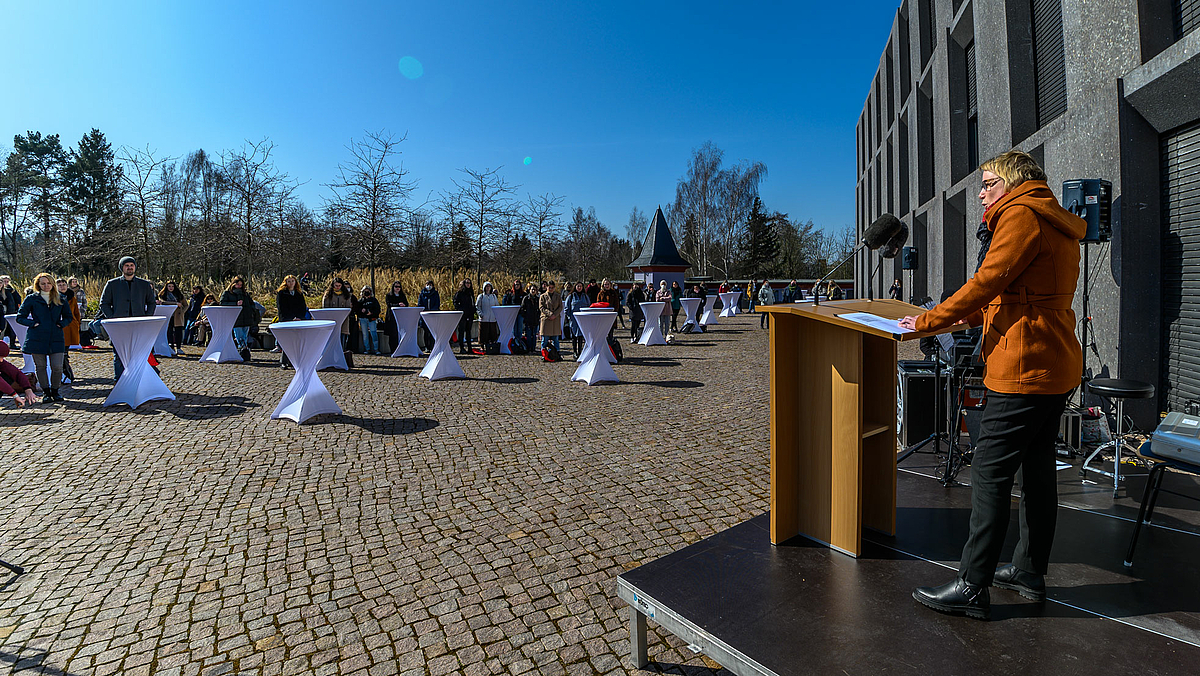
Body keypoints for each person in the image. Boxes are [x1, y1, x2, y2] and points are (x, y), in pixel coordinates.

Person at [901, 150, 1086, 620]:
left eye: (987, 183)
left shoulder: (1020, 214)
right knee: (1038, 470)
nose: (981, 192)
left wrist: (926, 323)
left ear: (1011, 181)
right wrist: (963, 316)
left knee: (989, 471)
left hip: (1022, 366)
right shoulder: (1055, 218)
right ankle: (1028, 571)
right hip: (1056, 360)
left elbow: (988, 281)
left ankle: (972, 583)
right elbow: (1020, 293)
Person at [16, 273, 73, 402]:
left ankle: (55, 390)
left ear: (52, 284)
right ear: (38, 285)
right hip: (37, 336)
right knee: (40, 366)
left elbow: (69, 317)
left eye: (48, 283)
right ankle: (46, 392)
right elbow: (20, 317)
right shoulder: (31, 298)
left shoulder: (61, 298)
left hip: (56, 336)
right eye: (43, 283)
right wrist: (33, 324)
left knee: (57, 367)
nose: (46, 286)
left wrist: (61, 324)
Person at [100, 256, 157, 379]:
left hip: (139, 325)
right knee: (119, 356)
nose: (130, 267)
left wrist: (147, 318)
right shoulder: (112, 284)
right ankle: (119, 382)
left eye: (132, 265)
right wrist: (112, 318)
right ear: (122, 268)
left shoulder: (144, 284)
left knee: (140, 355)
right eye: (127, 265)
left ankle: (139, 381)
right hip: (119, 326)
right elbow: (104, 303)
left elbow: (151, 303)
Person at [219, 276, 257, 361]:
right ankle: (242, 351)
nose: (239, 286)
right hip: (235, 318)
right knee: (239, 336)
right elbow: (222, 303)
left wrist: (251, 310)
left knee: (245, 336)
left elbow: (251, 303)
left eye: (240, 285)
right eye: (237, 284)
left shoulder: (245, 294)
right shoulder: (227, 293)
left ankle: (245, 352)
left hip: (246, 317)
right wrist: (235, 304)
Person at [275, 275, 308, 369]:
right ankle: (284, 361)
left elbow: (302, 307)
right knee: (287, 341)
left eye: (292, 281)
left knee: (297, 341)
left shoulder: (299, 293)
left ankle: (294, 361)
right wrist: (290, 318)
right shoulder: (281, 293)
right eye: (289, 281)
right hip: (287, 320)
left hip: (298, 320)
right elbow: (281, 308)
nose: (291, 283)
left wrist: (299, 317)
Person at [0, 341, 38, 407]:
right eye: (0, 357)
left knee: (8, 374)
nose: (1, 360)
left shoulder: (1, 362)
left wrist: (28, 389)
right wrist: (15, 395)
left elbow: (16, 373)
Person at [322, 278, 355, 351]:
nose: (337, 287)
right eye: (336, 285)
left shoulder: (346, 295)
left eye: (339, 285)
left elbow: (348, 308)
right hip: (331, 320)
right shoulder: (328, 294)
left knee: (342, 339)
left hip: (343, 321)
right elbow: (325, 307)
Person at [158, 280, 186, 355]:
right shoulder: (163, 294)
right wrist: (175, 303)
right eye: (169, 286)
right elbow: (163, 302)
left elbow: (186, 304)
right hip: (168, 315)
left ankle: (179, 347)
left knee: (178, 331)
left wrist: (182, 311)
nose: (171, 288)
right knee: (169, 331)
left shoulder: (179, 295)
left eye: (172, 286)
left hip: (178, 315)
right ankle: (171, 347)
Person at [382, 281, 409, 353]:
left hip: (401, 317)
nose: (397, 288)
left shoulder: (402, 295)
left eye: (399, 287)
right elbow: (389, 304)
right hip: (391, 317)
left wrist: (404, 305)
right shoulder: (389, 295)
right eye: (396, 287)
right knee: (392, 334)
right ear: (393, 287)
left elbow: (406, 303)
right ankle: (393, 350)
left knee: (399, 333)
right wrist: (398, 304)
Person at [355, 285, 382, 355]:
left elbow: (378, 309)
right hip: (363, 319)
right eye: (365, 291)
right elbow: (357, 310)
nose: (366, 293)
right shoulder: (360, 301)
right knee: (365, 335)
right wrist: (362, 310)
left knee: (374, 334)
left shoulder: (374, 300)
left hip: (372, 319)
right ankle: (367, 349)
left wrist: (371, 313)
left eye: (368, 291)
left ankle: (376, 349)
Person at [538, 280, 563, 355]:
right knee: (545, 339)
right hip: (546, 319)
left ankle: (556, 353)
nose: (551, 289)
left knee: (555, 339)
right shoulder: (543, 296)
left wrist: (554, 315)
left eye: (552, 287)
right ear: (546, 287)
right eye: (549, 287)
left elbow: (560, 307)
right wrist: (550, 314)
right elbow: (541, 307)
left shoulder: (558, 296)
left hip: (555, 319)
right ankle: (544, 353)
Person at [565, 282, 589, 355]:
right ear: (575, 287)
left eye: (581, 286)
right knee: (574, 336)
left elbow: (589, 307)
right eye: (578, 286)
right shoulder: (571, 296)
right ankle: (575, 351)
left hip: (583, 320)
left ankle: (580, 351)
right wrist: (570, 317)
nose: (579, 288)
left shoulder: (585, 296)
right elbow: (566, 308)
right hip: (574, 320)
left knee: (581, 337)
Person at [453, 279, 476, 355]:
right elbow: (455, 302)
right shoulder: (459, 293)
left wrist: (473, 310)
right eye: (467, 283)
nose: (468, 284)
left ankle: (470, 348)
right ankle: (462, 348)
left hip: (470, 314)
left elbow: (473, 303)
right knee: (461, 331)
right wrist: (461, 310)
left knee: (469, 331)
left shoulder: (471, 293)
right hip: (462, 315)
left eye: (469, 283)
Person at [416, 280, 439, 353]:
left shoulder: (435, 294)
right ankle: (426, 347)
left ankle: (432, 347)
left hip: (433, 315)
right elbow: (420, 304)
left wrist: (432, 310)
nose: (429, 286)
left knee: (432, 332)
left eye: (430, 285)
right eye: (427, 284)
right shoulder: (422, 294)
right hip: (424, 316)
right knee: (426, 332)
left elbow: (437, 304)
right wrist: (424, 311)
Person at [475, 281, 499, 348]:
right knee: (483, 333)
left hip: (492, 319)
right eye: (487, 286)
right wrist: (481, 314)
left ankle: (492, 346)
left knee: (492, 333)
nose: (488, 288)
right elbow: (477, 306)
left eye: (489, 286)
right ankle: (482, 346)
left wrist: (496, 316)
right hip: (484, 318)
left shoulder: (494, 296)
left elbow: (497, 306)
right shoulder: (481, 296)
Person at [0, 275, 20, 347]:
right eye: (4, 281)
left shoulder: (11, 290)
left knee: (11, 329)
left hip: (10, 311)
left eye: (7, 281)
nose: (6, 283)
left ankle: (12, 343)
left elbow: (17, 299)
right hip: (3, 311)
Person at [519, 282, 540, 350]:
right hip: (528, 319)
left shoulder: (537, 299)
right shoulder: (526, 299)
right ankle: (528, 348)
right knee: (528, 335)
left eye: (534, 289)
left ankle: (533, 348)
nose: (533, 291)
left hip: (535, 319)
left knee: (534, 335)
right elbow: (522, 309)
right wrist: (525, 316)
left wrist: (538, 316)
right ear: (529, 290)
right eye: (532, 289)